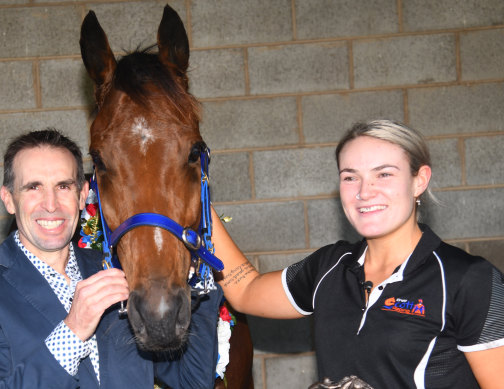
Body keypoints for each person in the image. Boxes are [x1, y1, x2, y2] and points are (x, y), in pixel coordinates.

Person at [211, 120, 504, 388]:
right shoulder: (329, 266)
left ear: (419, 180)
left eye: (384, 174)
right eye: (351, 177)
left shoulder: (468, 279)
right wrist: (194, 203)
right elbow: (246, 289)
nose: (365, 192)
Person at [0, 128, 221, 389]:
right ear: (9, 199)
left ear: (83, 195)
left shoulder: (119, 271)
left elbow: (192, 381)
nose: (51, 205)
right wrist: (72, 332)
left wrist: (197, 287)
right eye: (33, 187)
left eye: (63, 186)